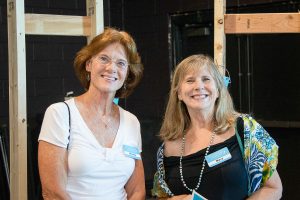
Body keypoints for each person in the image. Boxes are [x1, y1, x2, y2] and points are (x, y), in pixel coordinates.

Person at [152, 54, 282, 200]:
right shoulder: (166, 148)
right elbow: (161, 196)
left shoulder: (244, 129)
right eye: (190, 80)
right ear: (179, 94)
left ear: (219, 90)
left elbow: (273, 188)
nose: (198, 86)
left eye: (206, 79)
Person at [38, 27, 145, 200]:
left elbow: (137, 191)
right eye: (104, 58)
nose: (111, 68)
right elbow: (53, 192)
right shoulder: (60, 114)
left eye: (121, 63)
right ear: (88, 64)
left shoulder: (132, 122)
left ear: (127, 73)